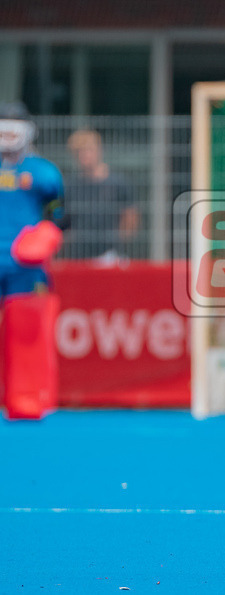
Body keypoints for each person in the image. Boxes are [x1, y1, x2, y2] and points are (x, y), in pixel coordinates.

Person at [0, 101, 65, 420]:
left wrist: (49, 233)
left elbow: (59, 213)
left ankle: (25, 399)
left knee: (26, 335)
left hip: (26, 266)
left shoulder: (44, 172)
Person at [63, 129, 139, 264]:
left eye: (88, 150)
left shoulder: (118, 183)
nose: (85, 155)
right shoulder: (70, 186)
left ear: (99, 150)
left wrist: (118, 243)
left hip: (111, 254)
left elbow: (130, 217)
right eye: (79, 152)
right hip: (79, 256)